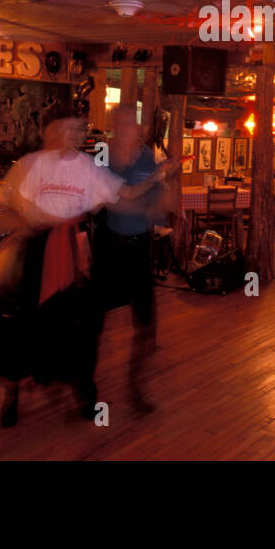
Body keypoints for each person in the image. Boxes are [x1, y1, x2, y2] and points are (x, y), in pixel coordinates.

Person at [0, 106, 176, 427]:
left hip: (72, 251)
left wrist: (159, 179)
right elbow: (3, 206)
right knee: (25, 325)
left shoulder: (89, 167)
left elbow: (127, 194)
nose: (74, 136)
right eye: (68, 129)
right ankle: (12, 393)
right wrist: (24, 228)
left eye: (78, 130)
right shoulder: (31, 164)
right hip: (36, 249)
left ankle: (83, 391)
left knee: (76, 325)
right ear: (48, 132)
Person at [95, 107, 168, 415]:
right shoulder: (101, 155)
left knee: (145, 322)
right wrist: (144, 199)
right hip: (108, 244)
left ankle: (135, 386)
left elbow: (158, 199)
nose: (128, 128)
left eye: (132, 124)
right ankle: (87, 386)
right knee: (94, 321)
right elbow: (109, 200)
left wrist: (157, 198)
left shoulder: (146, 157)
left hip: (139, 246)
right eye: (121, 124)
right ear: (112, 127)